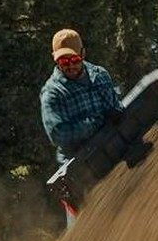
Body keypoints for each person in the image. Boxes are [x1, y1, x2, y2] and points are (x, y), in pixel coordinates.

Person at [40, 28, 124, 166]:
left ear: (83, 54)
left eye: (74, 59)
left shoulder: (100, 75)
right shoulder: (52, 94)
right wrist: (94, 123)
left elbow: (115, 109)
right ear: (55, 59)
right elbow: (58, 134)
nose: (70, 65)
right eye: (64, 62)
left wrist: (117, 112)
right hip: (80, 165)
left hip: (112, 147)